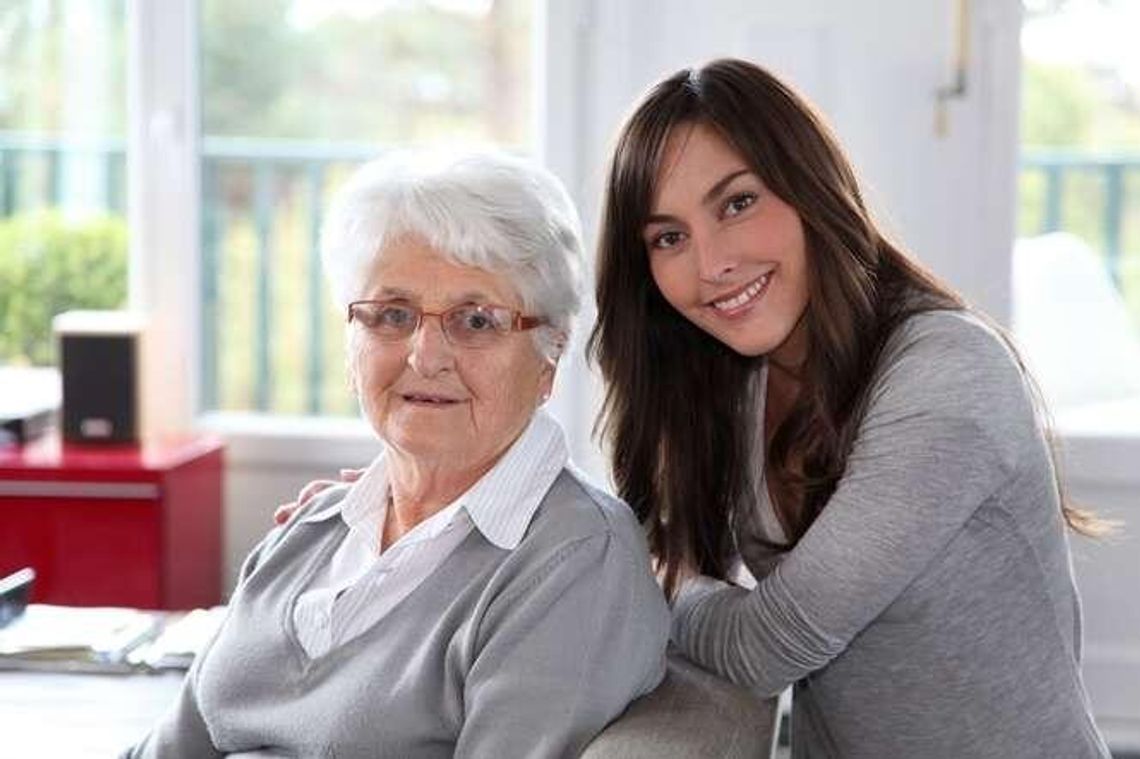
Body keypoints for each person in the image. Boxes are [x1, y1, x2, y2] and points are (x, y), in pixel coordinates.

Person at [587, 58, 1112, 757]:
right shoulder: (735, 374)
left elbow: (770, 644)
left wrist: (660, 574)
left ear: (809, 187)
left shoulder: (946, 374)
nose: (710, 263)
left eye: (737, 203)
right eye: (669, 237)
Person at [124, 150, 669, 759]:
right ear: (351, 343)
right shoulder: (308, 532)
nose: (424, 355)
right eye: (392, 314)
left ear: (550, 356)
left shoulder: (574, 560)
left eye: (477, 321)